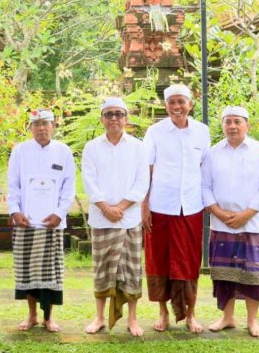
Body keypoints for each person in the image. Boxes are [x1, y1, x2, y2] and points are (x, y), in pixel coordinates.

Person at [203, 106, 259, 338]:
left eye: (237, 121)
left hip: (251, 223)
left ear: (247, 125)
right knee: (223, 274)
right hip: (221, 222)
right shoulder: (212, 153)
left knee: (252, 275)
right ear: (222, 125)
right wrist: (218, 211)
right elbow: (204, 186)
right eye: (228, 122)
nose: (232, 126)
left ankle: (253, 321)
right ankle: (227, 317)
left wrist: (246, 213)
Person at [142, 84, 210, 333]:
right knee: (158, 259)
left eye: (181, 101)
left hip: (191, 207)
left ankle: (191, 314)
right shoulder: (155, 132)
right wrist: (144, 205)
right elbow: (146, 170)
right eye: (172, 102)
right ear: (166, 106)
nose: (177, 107)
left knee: (189, 261)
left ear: (190, 104)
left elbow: (204, 169)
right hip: (160, 206)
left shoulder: (202, 132)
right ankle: (162, 312)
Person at [81, 97, 149, 337]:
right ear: (101, 119)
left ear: (126, 119)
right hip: (102, 219)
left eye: (118, 114)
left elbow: (142, 182)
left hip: (128, 219)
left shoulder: (138, 147)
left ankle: (132, 319)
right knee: (102, 269)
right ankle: (99, 317)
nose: (113, 119)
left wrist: (120, 206)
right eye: (108, 114)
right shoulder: (92, 147)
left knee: (131, 270)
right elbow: (89, 181)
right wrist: (105, 208)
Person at [7, 109, 75, 333]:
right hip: (26, 222)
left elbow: (69, 187)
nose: (41, 128)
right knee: (28, 271)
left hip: (52, 223)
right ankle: (32, 315)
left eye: (45, 123)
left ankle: (48, 317)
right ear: (30, 128)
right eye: (36, 124)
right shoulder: (20, 151)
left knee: (50, 272)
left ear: (53, 126)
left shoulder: (63, 152)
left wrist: (60, 213)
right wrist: (15, 212)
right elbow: (13, 184)